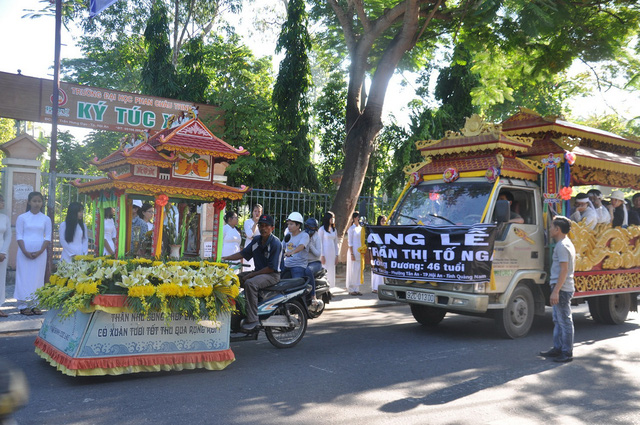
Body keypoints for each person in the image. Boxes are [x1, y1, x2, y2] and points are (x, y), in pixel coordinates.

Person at [222, 214, 281, 331]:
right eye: (261, 225)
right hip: (259, 273)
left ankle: (253, 319)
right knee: (234, 279)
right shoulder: (256, 240)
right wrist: (224, 258)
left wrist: (251, 275)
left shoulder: (276, 243)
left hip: (272, 275)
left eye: (266, 226)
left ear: (272, 228)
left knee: (250, 283)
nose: (263, 228)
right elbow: (243, 254)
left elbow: (271, 268)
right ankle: (236, 311)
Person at [539, 216, 576, 363]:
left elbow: (564, 270)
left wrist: (556, 291)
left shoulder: (562, 246)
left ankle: (566, 353)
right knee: (558, 320)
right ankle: (558, 348)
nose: (549, 229)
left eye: (551, 227)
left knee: (564, 321)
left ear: (557, 229)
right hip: (560, 287)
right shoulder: (563, 244)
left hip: (562, 288)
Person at [15, 192, 52, 316]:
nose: (37, 204)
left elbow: (48, 237)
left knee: (37, 278)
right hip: (24, 252)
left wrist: (41, 251)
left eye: (39, 201)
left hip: (40, 253)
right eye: (34, 201)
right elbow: (19, 235)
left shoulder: (46, 219)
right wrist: (25, 251)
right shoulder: (22, 218)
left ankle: (36, 304)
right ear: (29, 202)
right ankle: (23, 305)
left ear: (42, 203)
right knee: (23, 277)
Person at [281, 212, 309, 279]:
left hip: (298, 265)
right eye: (288, 224)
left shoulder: (304, 235)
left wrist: (291, 252)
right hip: (286, 264)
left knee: (296, 284)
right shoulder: (288, 235)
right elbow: (281, 246)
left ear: (298, 225)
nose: (289, 226)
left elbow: (301, 246)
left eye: (291, 224)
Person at [304, 218, 322, 304]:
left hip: (315, 262)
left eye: (311, 227)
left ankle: (313, 295)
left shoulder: (317, 237)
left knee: (308, 270)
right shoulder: (303, 235)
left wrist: (310, 245)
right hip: (304, 262)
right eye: (307, 226)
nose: (309, 229)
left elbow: (318, 254)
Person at [319, 211, 339, 289]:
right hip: (325, 253)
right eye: (331, 218)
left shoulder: (334, 230)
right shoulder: (321, 229)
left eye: (333, 218)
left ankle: (330, 288)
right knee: (325, 270)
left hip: (332, 253)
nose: (333, 219)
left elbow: (335, 243)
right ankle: (324, 288)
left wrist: (337, 255)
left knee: (331, 270)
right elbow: (320, 243)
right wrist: (322, 255)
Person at [0, 194, 11, 318]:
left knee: (1, 280)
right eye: (0, 201)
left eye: (3, 200)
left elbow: (8, 236)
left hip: (2, 254)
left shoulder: (5, 218)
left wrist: (3, 252)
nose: (3, 203)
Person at [346, 211, 363, 296]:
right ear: (355, 218)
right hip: (353, 252)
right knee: (352, 270)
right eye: (358, 217)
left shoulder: (360, 228)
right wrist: (352, 254)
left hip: (360, 251)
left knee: (358, 270)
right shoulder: (351, 229)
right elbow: (350, 243)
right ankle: (351, 288)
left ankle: (357, 288)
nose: (359, 219)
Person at [243, 204, 263, 271]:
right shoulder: (247, 222)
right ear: (252, 212)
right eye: (255, 211)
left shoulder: (263, 223)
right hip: (249, 246)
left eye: (259, 211)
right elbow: (249, 235)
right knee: (247, 268)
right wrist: (255, 224)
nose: (257, 213)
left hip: (259, 247)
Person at [371, 215, 387, 293]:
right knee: (377, 269)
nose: (384, 223)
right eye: (382, 221)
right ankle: (375, 287)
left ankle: (382, 287)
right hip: (377, 251)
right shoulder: (375, 230)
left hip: (384, 251)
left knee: (383, 269)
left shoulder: (386, 230)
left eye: (385, 221)